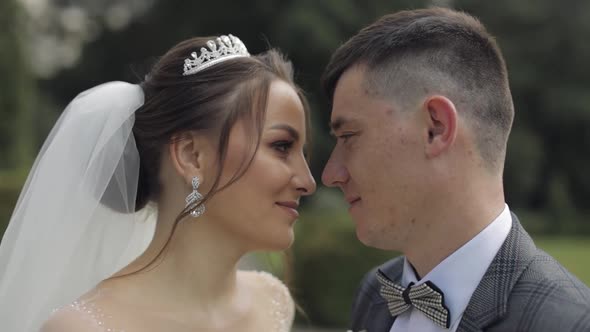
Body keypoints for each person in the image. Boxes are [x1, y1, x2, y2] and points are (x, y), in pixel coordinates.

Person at [0, 34, 316, 332]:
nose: (307, 182)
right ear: (192, 156)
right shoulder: (82, 327)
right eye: (281, 146)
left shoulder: (273, 302)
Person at [321, 7, 590, 332]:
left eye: (349, 136)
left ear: (435, 127)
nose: (331, 174)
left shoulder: (567, 323)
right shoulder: (375, 294)